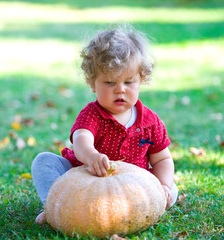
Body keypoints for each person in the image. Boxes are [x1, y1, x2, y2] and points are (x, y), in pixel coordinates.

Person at [31, 25, 178, 225]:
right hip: (82, 182)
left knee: (171, 187)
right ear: (92, 83)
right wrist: (91, 156)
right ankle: (54, 207)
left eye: (128, 82)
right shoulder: (92, 114)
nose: (120, 90)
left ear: (141, 80)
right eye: (109, 83)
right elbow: (81, 139)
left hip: (131, 187)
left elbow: (162, 160)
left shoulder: (150, 121)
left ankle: (151, 204)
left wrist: (164, 186)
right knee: (44, 161)